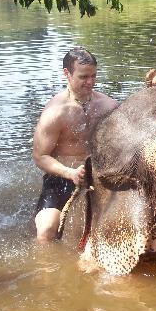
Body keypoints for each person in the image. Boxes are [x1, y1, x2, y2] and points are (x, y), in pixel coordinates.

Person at [33, 47, 119, 242]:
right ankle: (47, 272)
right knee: (46, 231)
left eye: (93, 76)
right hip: (62, 178)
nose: (90, 82)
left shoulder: (109, 106)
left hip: (99, 177)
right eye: (83, 77)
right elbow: (40, 157)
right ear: (67, 73)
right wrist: (70, 173)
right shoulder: (55, 112)